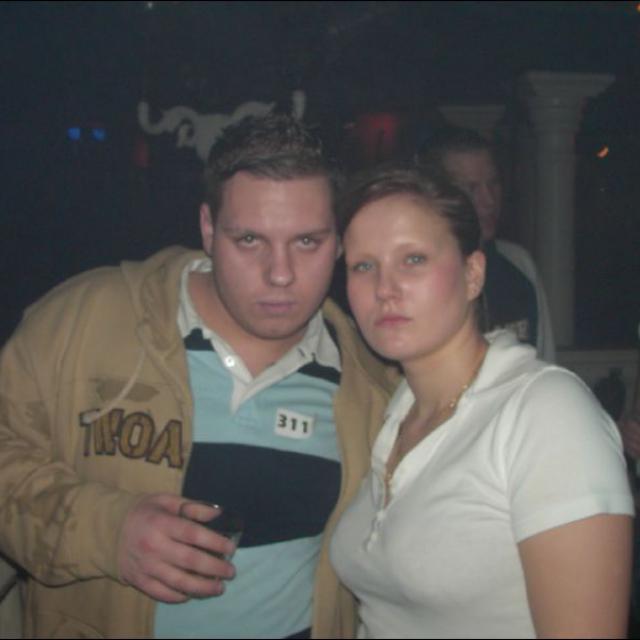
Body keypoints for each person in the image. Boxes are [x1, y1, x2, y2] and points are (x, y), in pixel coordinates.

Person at [0, 114, 398, 638]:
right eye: (249, 239)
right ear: (209, 229)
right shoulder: (83, 321)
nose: (280, 274)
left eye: (307, 242)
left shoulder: (372, 386)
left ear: (340, 241)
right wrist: (105, 531)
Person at [329, 162, 633, 638]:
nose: (384, 289)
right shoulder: (396, 412)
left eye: (413, 259)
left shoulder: (545, 413)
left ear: (473, 274)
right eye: (363, 266)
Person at [417, 126, 555, 362]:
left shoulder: (519, 266)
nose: (489, 200)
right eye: (471, 188)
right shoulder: (418, 275)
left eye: (493, 184)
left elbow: (545, 360)